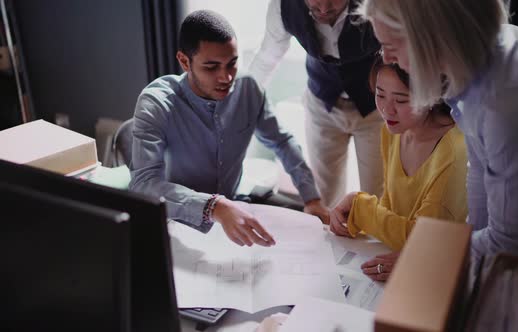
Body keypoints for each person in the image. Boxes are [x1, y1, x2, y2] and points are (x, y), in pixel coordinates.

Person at [357, 0, 518, 261]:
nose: (386, 58)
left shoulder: (509, 106)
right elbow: (479, 169)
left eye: (391, 45)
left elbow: (508, 239)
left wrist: (425, 258)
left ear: (429, 38)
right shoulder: (489, 52)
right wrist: (466, 240)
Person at [129, 10, 329, 247]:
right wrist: (214, 207)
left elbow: (281, 141)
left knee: (307, 232)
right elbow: (143, 184)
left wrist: (312, 197)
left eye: (232, 63)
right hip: (179, 222)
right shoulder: (156, 103)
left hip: (237, 203)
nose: (226, 77)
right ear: (184, 61)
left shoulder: (248, 89)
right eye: (211, 67)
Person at [330, 58, 468, 281]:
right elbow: (391, 207)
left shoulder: (452, 153)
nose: (386, 109)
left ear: (432, 97)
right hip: (405, 258)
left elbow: (422, 239)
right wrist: (361, 213)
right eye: (380, 94)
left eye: (401, 100)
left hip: (443, 271)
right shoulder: (393, 130)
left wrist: (360, 207)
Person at [248, 0, 384, 208]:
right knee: (324, 197)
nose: (324, 9)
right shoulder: (283, 6)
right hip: (322, 103)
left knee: (377, 197)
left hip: (376, 108)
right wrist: (242, 101)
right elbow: (268, 56)